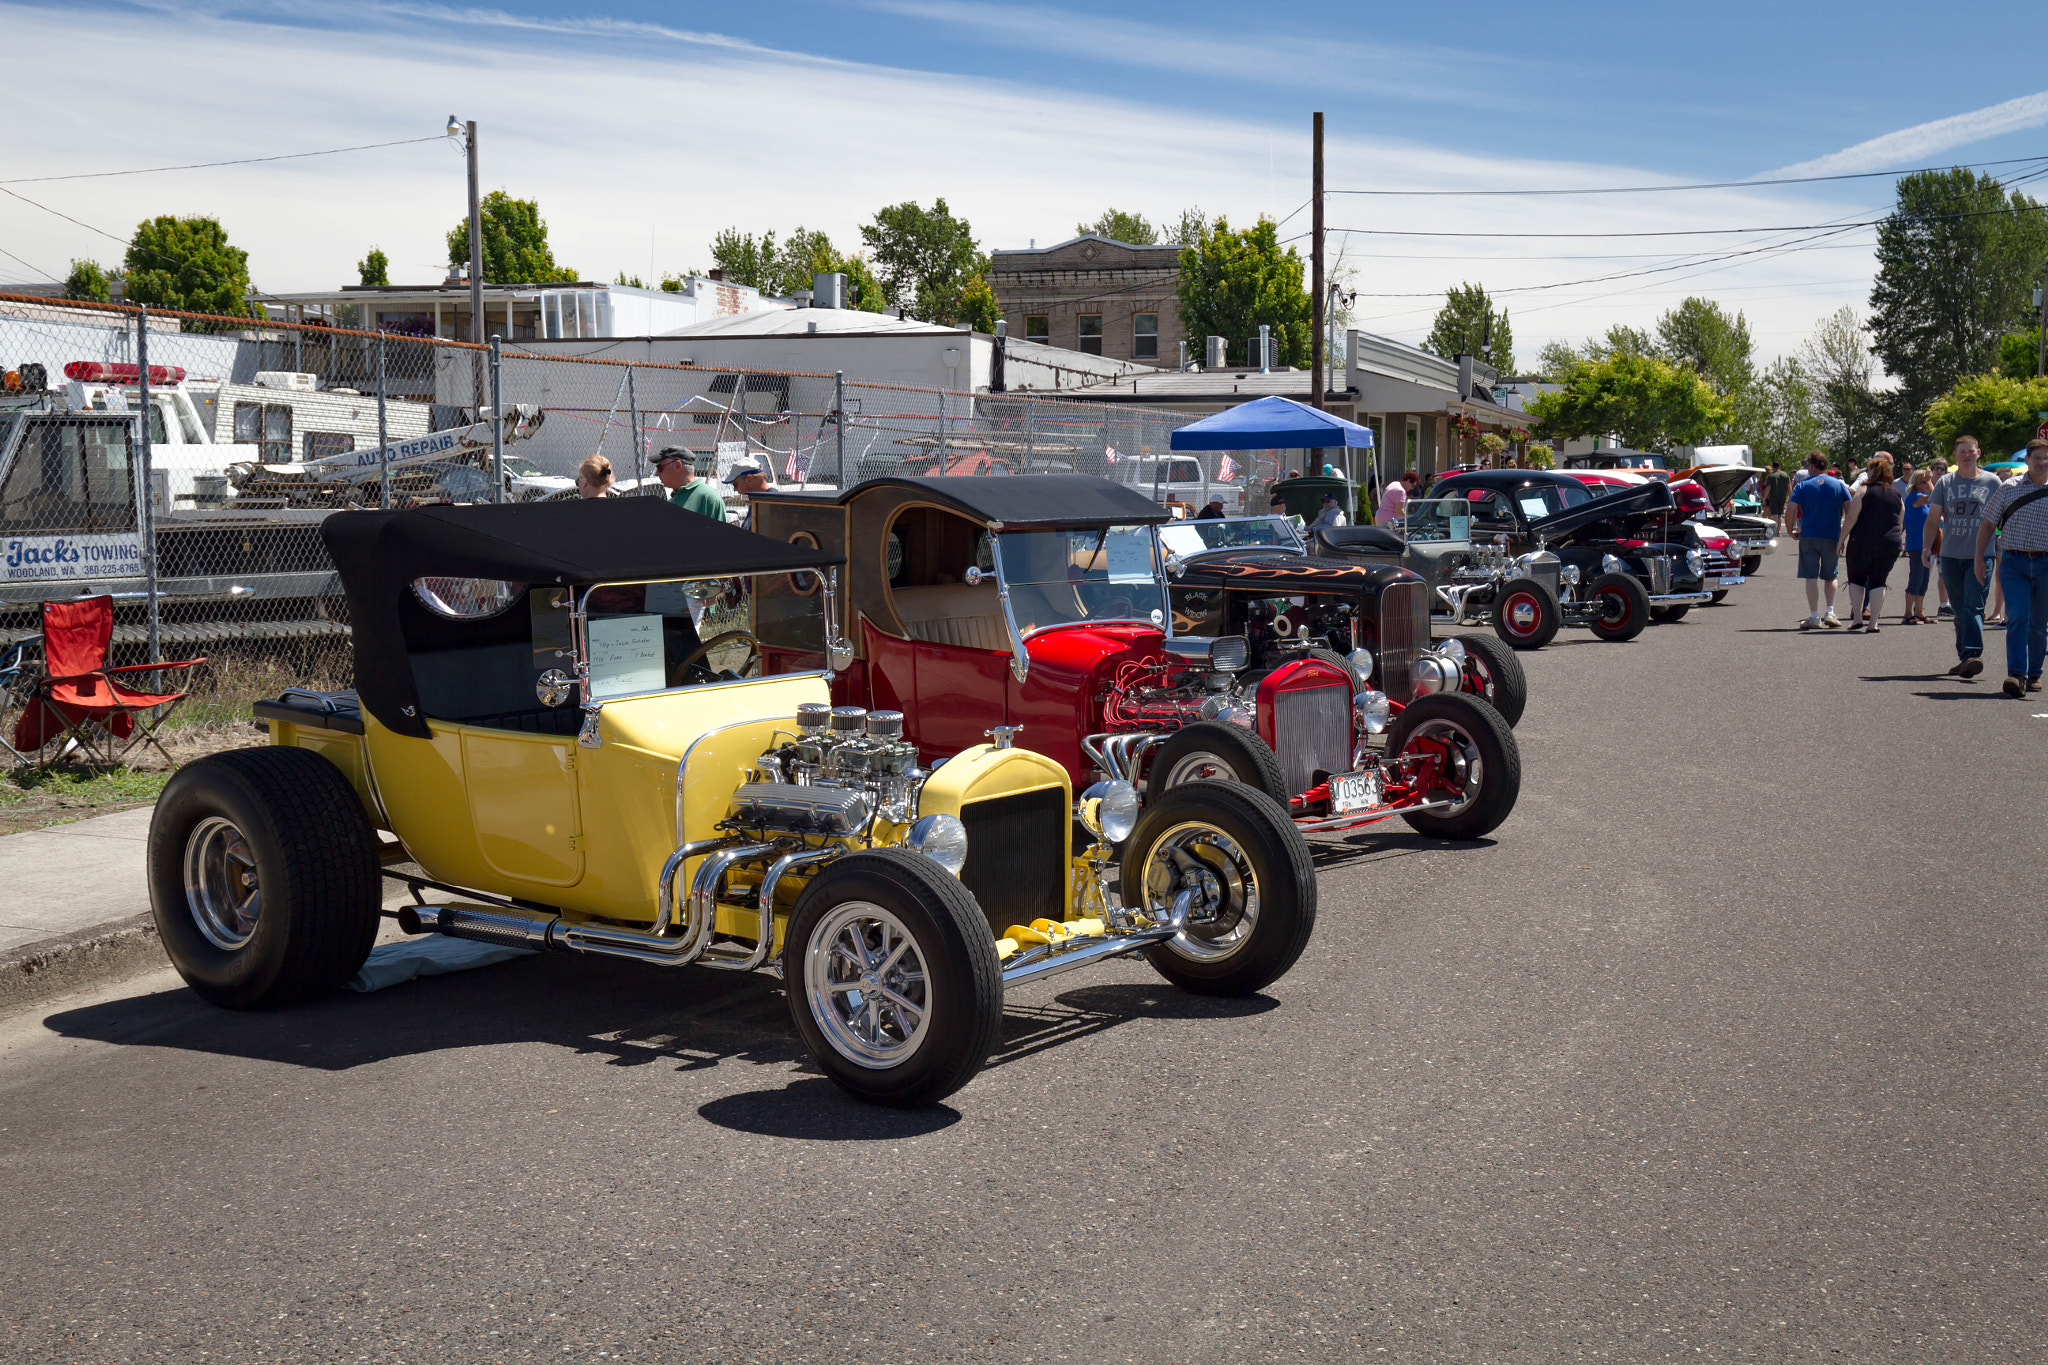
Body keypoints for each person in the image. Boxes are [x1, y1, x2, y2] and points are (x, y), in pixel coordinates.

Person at [1923, 434, 2002, 678]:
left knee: (1973, 606)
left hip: (1982, 555)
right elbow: (1933, 518)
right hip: (1951, 555)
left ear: (1979, 453)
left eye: (1971, 451)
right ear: (1956, 456)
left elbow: (2003, 514)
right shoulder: (1946, 482)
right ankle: (1965, 657)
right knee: (1959, 610)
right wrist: (1927, 548)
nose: (1967, 455)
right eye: (1962, 452)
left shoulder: (1993, 482)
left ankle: (1972, 654)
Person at [1976, 437, 2048, 696]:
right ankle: (2017, 674)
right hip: (2013, 561)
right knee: (2018, 616)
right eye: (2037, 457)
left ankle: (2034, 673)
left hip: (2045, 563)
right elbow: (1987, 524)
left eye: (2045, 458)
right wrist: (1978, 559)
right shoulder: (2009, 487)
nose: (2042, 462)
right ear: (2027, 460)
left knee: (2039, 624)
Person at [1786, 450, 1852, 629]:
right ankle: (1830, 611)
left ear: (1812, 465)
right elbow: (1850, 509)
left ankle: (1814, 616)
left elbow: (1791, 508)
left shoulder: (1802, 485)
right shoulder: (1838, 484)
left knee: (1811, 575)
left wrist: (1791, 530)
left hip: (1809, 534)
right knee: (1831, 575)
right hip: (1832, 534)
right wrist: (1845, 533)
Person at [1836, 455, 1902, 632]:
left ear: (1873, 472)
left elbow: (1851, 518)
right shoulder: (1896, 493)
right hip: (1889, 542)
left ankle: (1857, 617)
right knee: (1879, 581)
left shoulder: (1864, 490)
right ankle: (1873, 622)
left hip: (1862, 541)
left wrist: (1841, 540)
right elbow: (1900, 519)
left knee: (1856, 579)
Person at [654, 447, 726, 520]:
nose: (657, 474)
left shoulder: (709, 499)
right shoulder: (673, 499)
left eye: (660, 468)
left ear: (678, 465)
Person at [1900, 468, 1934, 623]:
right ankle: (1908, 613)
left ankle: (1919, 611)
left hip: (1927, 545)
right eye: (1924, 482)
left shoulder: (1924, 500)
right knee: (1916, 578)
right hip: (1916, 545)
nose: (1927, 484)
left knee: (1924, 580)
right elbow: (1934, 497)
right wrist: (1930, 480)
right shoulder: (1915, 496)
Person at [727, 459, 771, 530]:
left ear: (749, 479)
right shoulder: (756, 502)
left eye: (735, 484)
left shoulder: (772, 503)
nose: (735, 489)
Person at [1762, 458, 1792, 534]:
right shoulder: (1785, 475)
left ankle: (1775, 530)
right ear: (1779, 466)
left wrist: (1764, 498)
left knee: (1775, 514)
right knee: (1780, 514)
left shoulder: (1771, 476)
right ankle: (1779, 530)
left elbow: (1768, 488)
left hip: (1773, 497)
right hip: (1782, 497)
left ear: (1773, 466)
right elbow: (1789, 487)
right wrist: (1791, 497)